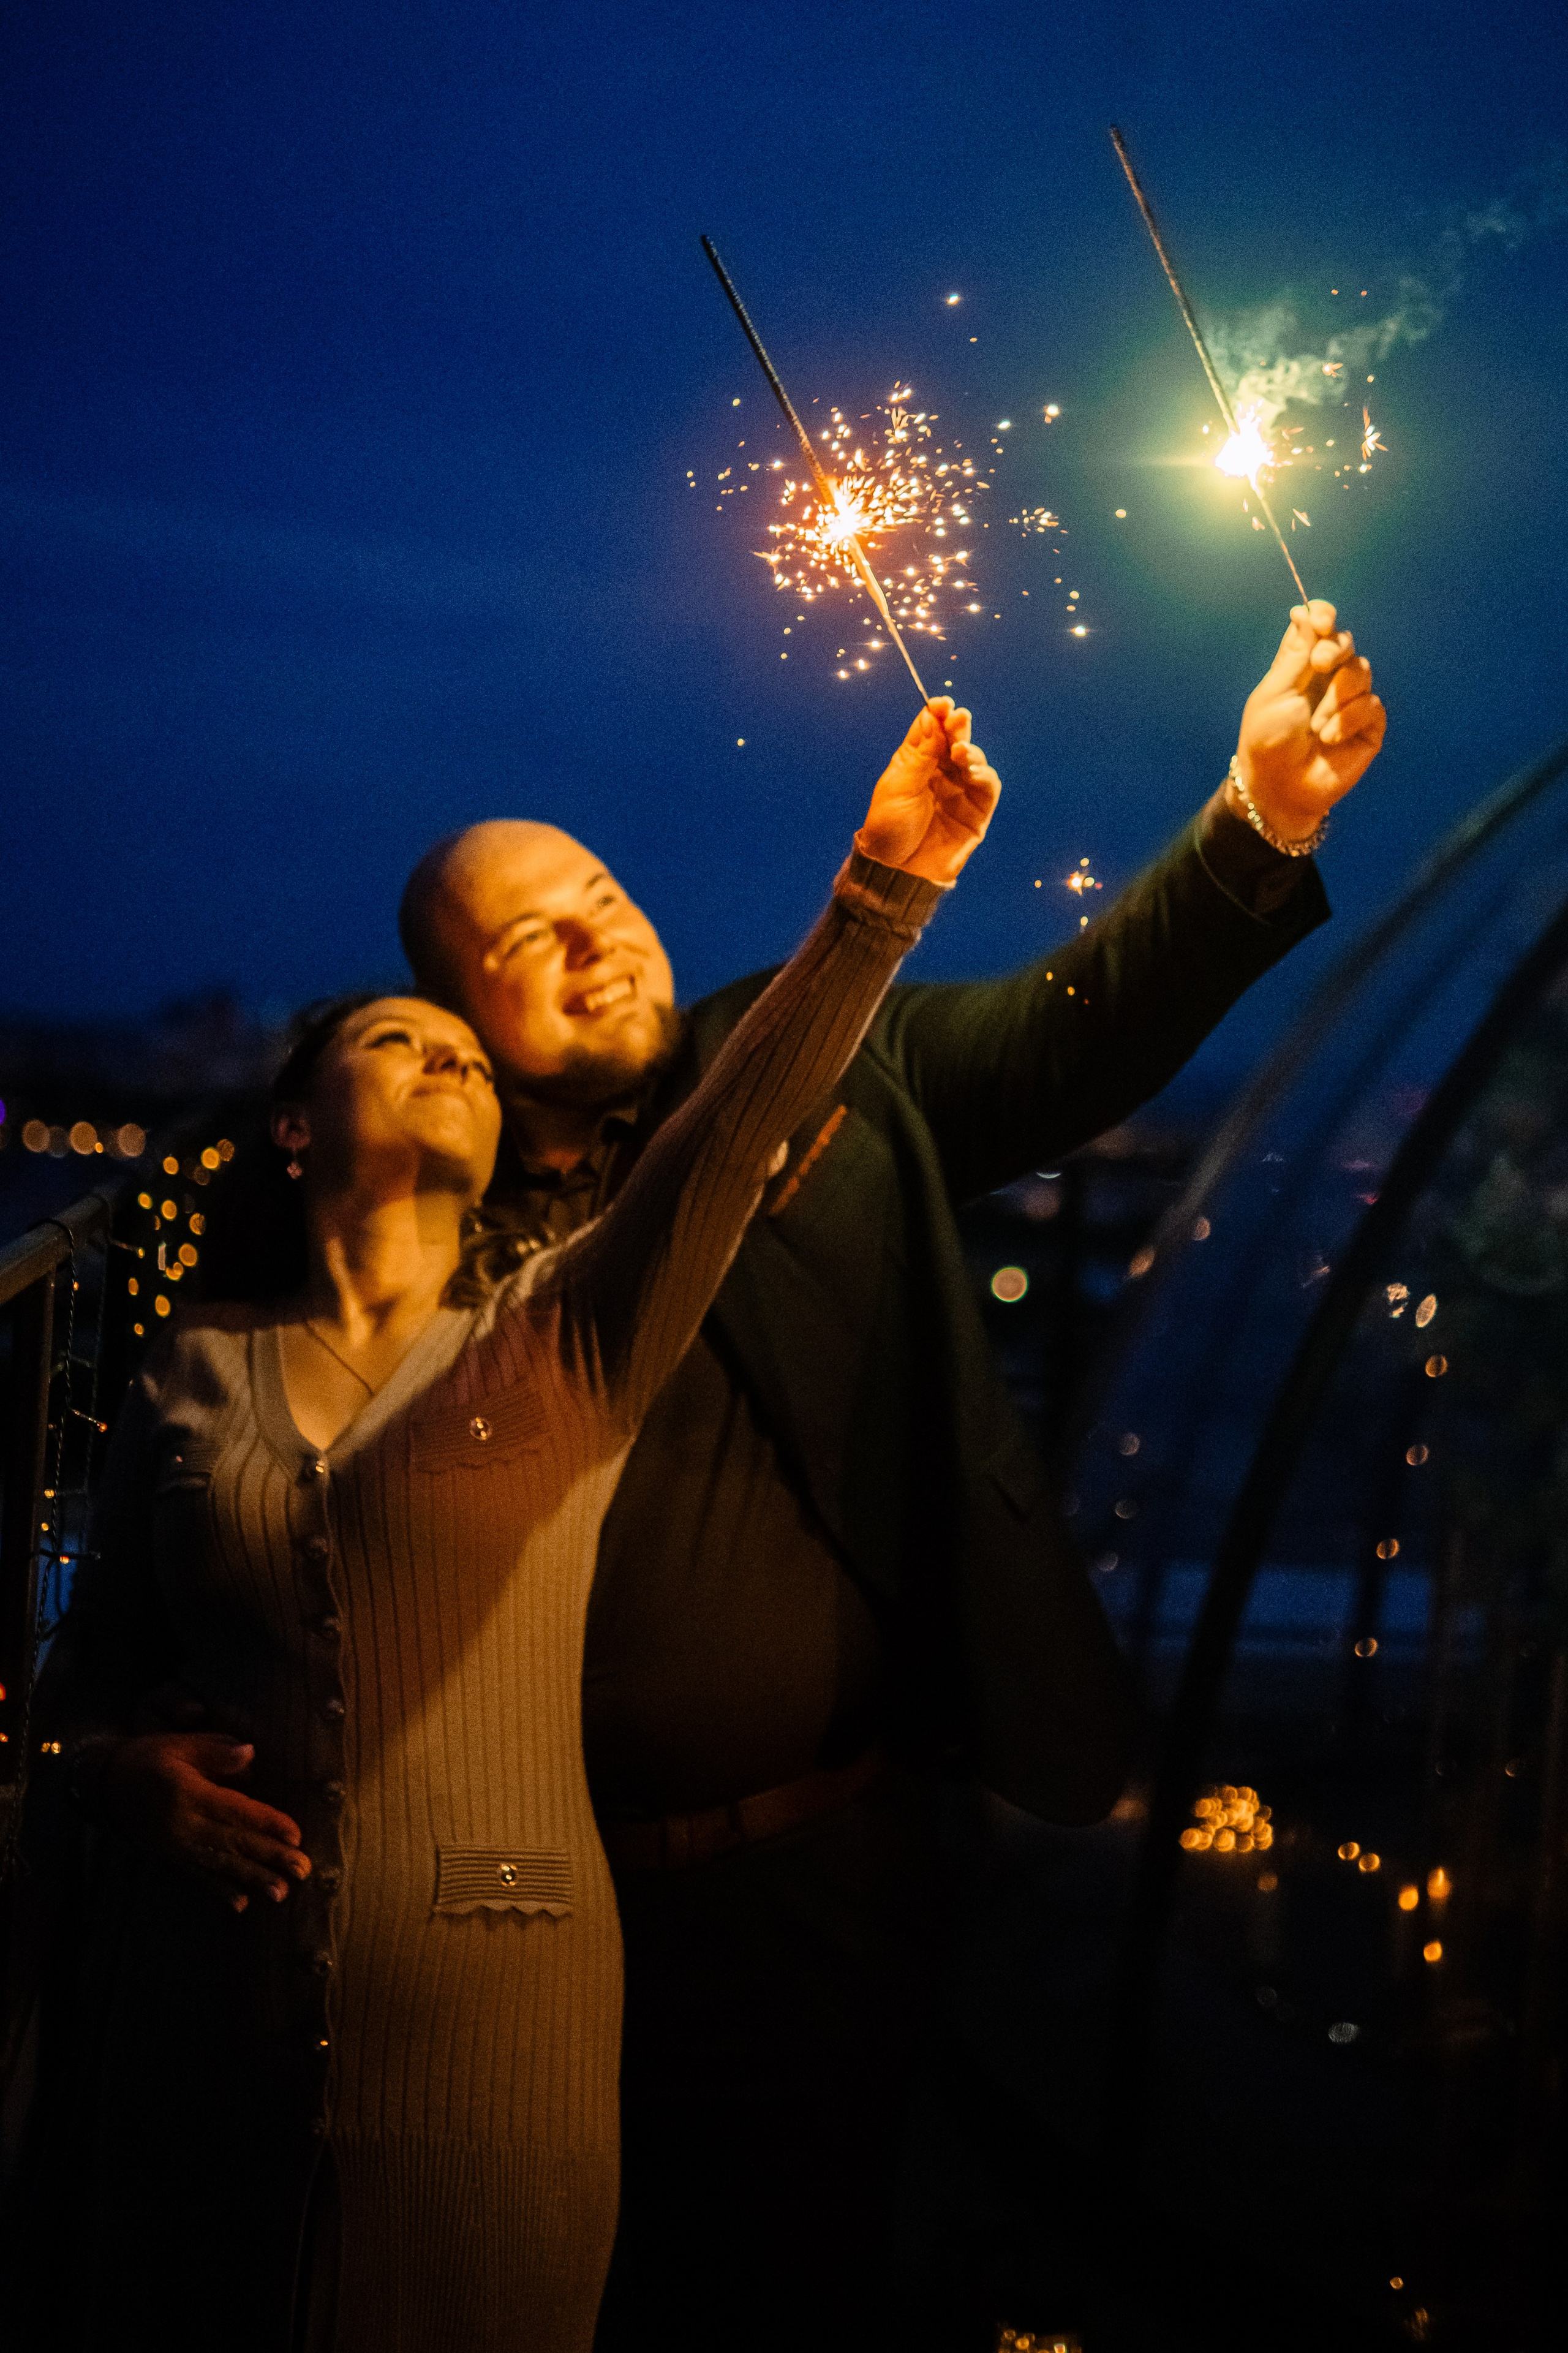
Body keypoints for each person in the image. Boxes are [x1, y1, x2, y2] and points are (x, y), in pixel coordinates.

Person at [394, 603, 1387, 2349]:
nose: (597, 948)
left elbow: (1077, 1027)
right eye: (529, 942)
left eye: (606, 905)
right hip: (518, 1903)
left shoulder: (828, 1058)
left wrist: (1263, 816)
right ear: (457, 1012)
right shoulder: (423, 1227)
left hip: (832, 1872)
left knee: (823, 2276)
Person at [7, 699, 997, 2353]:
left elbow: (722, 1143)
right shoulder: (194, 1370)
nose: (451, 1063)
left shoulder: (553, 1347)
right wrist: (119, 1771)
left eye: (468, 1054)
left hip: (497, 2038)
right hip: (208, 2041)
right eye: (404, 1042)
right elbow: (83, 1669)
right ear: (297, 1121)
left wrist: (880, 894)